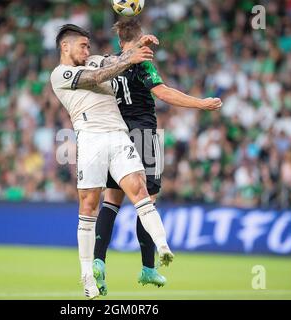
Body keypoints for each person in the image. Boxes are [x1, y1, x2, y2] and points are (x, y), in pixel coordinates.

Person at [93, 19, 222, 296]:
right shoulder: (141, 63)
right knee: (146, 201)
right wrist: (201, 103)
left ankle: (98, 261)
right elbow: (163, 93)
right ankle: (148, 268)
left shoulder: (108, 63)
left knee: (111, 201)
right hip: (143, 136)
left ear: (119, 41)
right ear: (140, 39)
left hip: (115, 136)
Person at [50, 24, 174, 299]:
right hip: (91, 139)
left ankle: (162, 247)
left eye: (89, 45)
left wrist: (136, 44)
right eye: (82, 45)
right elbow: (97, 76)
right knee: (89, 205)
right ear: (65, 47)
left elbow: (116, 61)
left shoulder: (94, 59)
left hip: (119, 136)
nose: (88, 49)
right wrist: (128, 57)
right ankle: (87, 278)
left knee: (140, 190)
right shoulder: (61, 74)